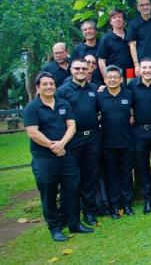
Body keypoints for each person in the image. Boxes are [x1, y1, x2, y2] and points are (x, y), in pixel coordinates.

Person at [24, 72, 93, 242]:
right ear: (38, 88)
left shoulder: (63, 104)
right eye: (45, 84)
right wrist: (52, 146)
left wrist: (62, 144)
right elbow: (33, 132)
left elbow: (71, 126)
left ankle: (74, 223)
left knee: (72, 188)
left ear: (55, 86)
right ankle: (54, 227)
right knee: (49, 192)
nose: (49, 87)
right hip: (44, 158)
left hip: (65, 154)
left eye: (51, 84)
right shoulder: (32, 108)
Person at [56, 58, 101, 226]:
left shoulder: (95, 89)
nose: (81, 71)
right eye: (77, 68)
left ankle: (89, 212)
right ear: (71, 70)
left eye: (84, 68)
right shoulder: (62, 91)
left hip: (93, 138)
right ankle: (69, 213)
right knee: (71, 178)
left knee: (90, 176)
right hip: (73, 139)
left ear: (89, 69)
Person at [96, 65, 135, 219]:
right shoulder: (99, 96)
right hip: (107, 144)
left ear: (121, 79)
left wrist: (134, 116)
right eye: (109, 77)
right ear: (105, 80)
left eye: (115, 77)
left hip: (126, 142)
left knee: (126, 175)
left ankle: (127, 205)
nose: (112, 80)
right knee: (112, 176)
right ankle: (115, 207)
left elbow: (136, 111)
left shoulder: (129, 94)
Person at [128, 57, 151, 214]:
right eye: (144, 68)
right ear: (139, 70)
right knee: (142, 166)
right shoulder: (132, 85)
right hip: (139, 131)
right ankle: (147, 199)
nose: (148, 70)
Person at [97, 9, 133, 80]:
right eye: (114, 18)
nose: (117, 19)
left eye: (120, 17)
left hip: (130, 72)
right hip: (114, 74)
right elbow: (101, 61)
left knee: (130, 89)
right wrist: (106, 78)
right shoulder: (106, 38)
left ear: (124, 20)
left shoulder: (130, 35)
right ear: (111, 22)